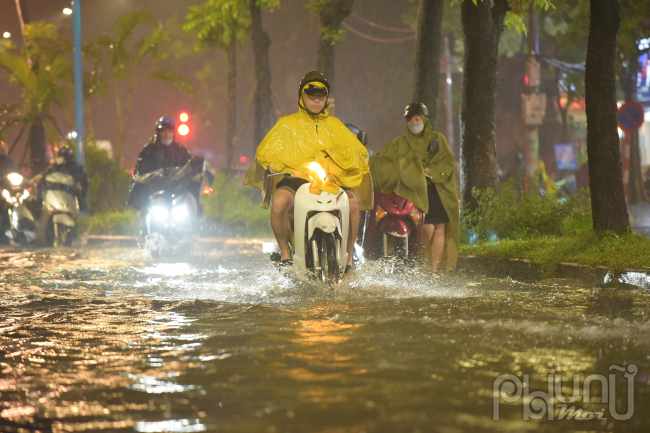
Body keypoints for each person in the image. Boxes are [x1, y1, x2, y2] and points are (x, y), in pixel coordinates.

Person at [245, 71, 371, 272]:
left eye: (321, 97)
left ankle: (348, 259)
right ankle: (286, 254)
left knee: (352, 204)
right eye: (311, 96)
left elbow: (354, 151)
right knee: (278, 203)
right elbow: (268, 149)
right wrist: (272, 162)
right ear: (302, 97)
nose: (316, 101)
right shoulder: (286, 124)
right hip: (296, 183)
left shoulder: (336, 125)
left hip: (330, 184)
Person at [370, 102, 459, 273]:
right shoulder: (400, 142)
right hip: (412, 191)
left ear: (425, 120)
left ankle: (432, 270)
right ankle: (419, 260)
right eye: (410, 121)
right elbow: (384, 157)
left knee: (438, 227)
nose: (414, 124)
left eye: (417, 119)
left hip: (436, 189)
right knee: (426, 227)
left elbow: (447, 163)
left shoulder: (437, 139)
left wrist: (431, 171)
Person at [38, 145, 89, 212]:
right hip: (55, 200)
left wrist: (79, 192)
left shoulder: (76, 168)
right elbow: (44, 178)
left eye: (63, 157)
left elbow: (84, 184)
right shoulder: (55, 167)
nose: (60, 159)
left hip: (70, 201)